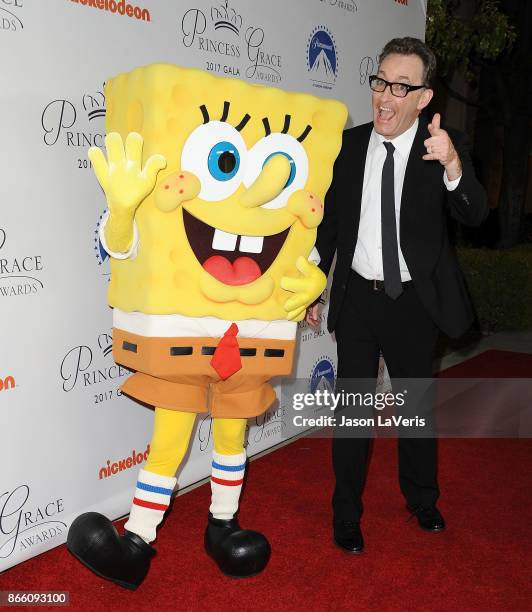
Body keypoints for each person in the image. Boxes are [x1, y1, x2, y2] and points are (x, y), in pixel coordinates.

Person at [306, 37, 487, 554]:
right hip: (360, 297)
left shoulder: (439, 151)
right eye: (380, 82)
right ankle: (345, 513)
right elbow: (329, 227)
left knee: (414, 410)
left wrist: (453, 167)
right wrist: (314, 284)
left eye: (401, 86)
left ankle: (421, 498)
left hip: (413, 302)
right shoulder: (349, 145)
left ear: (423, 97)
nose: (385, 96)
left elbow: (475, 213)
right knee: (354, 413)